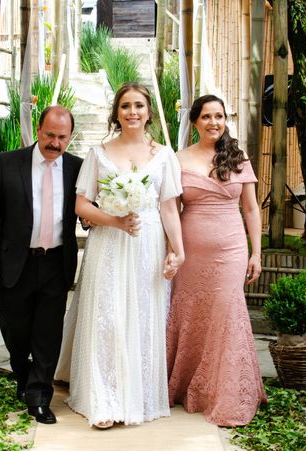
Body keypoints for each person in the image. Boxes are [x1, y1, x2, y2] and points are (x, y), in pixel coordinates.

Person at [61, 83, 184, 429]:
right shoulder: (98, 153)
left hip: (148, 244)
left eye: (139, 106)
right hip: (109, 244)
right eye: (126, 106)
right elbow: (82, 204)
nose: (133, 112)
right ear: (116, 112)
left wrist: (179, 250)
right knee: (108, 317)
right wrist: (114, 221)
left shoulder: (164, 155)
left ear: (149, 112)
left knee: (144, 317)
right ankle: (104, 399)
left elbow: (169, 208)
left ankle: (138, 395)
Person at [166, 94, 266, 427]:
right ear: (194, 121)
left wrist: (257, 252)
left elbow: (251, 208)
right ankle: (183, 384)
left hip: (231, 249)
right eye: (206, 116)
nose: (214, 122)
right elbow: (170, 210)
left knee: (227, 309)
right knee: (191, 312)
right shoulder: (178, 159)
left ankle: (228, 392)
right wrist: (172, 249)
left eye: (219, 116)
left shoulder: (238, 157)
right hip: (191, 250)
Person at [0, 106, 83, 425]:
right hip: (15, 261)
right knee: (14, 329)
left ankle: (39, 396)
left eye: (62, 137)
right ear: (38, 130)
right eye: (50, 135)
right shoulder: (9, 162)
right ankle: (23, 374)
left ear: (70, 137)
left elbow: (86, 209)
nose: (55, 143)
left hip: (56, 261)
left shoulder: (77, 168)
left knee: (48, 333)